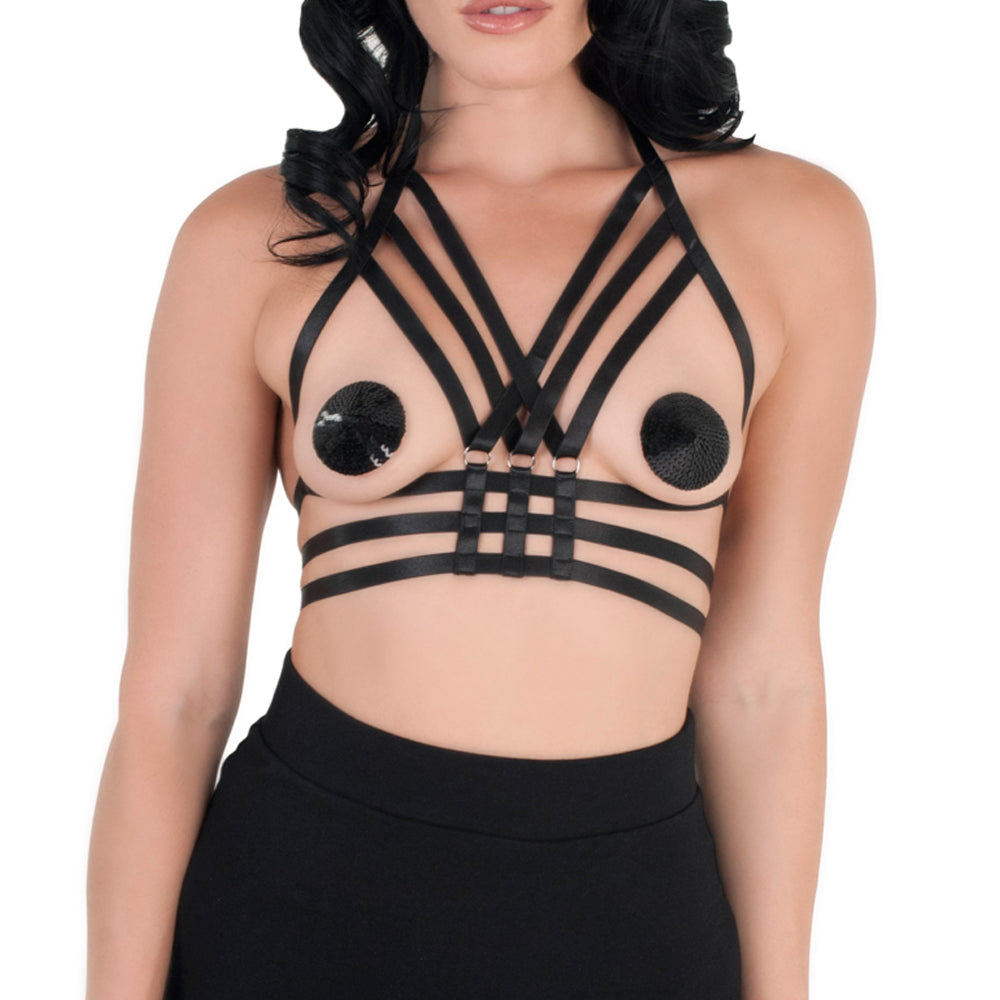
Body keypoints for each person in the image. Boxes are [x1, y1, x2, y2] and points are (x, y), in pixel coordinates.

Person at [85, 0, 875, 997]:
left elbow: (766, 679)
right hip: (296, 910)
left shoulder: (793, 231)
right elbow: (177, 694)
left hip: (634, 929)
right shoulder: (261, 236)